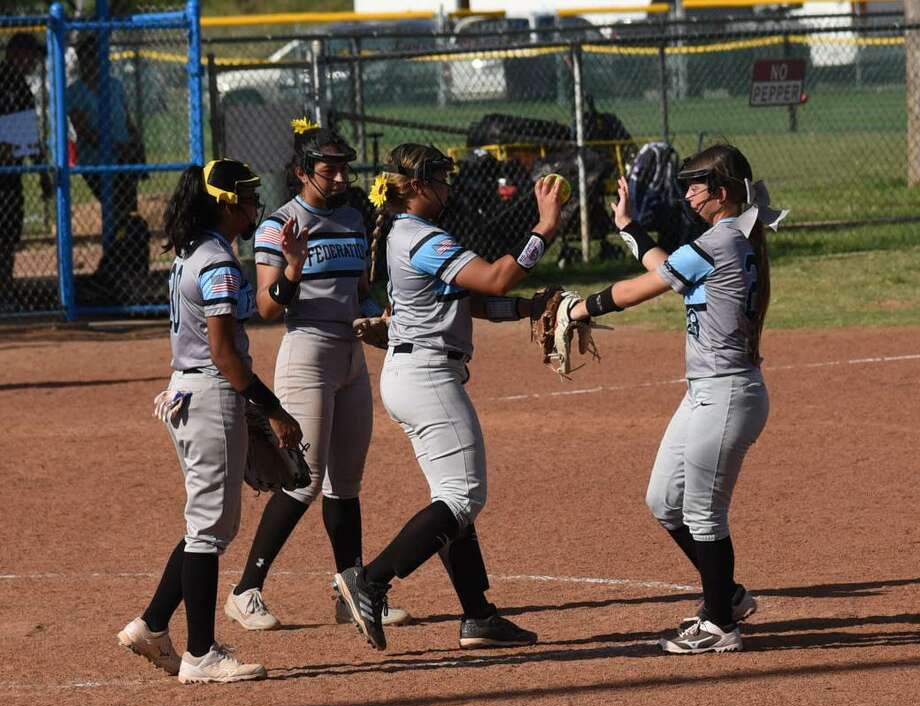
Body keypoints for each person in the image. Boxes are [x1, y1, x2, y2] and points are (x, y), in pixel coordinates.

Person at [333, 143, 563, 651]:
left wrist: (527, 308)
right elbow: (496, 275)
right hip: (426, 376)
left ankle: (478, 616)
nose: (448, 186)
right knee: (463, 498)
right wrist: (544, 228)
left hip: (416, 372)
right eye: (440, 178)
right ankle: (368, 580)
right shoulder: (421, 236)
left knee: (452, 498)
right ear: (414, 186)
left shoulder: (409, 233)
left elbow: (473, 299)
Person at [568, 144, 785, 654]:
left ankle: (719, 624)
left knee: (705, 514)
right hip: (707, 394)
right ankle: (727, 596)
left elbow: (638, 290)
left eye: (696, 184)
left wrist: (579, 308)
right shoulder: (727, 239)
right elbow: (667, 268)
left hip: (727, 393)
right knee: (664, 501)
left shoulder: (720, 241)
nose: (686, 192)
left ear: (724, 192)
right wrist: (630, 228)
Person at [116, 158, 302, 684]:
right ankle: (200, 654)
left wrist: (289, 269)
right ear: (224, 203)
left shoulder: (199, 251)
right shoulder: (217, 262)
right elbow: (225, 354)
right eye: (245, 196)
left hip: (190, 391)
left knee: (209, 523)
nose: (252, 205)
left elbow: (259, 312)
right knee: (209, 528)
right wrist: (273, 408)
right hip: (211, 392)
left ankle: (153, 625)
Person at [224, 120, 410, 631]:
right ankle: (245, 591)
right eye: (330, 167)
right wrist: (291, 269)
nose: (341, 175)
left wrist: (377, 315)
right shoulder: (279, 225)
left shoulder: (354, 217)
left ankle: (351, 593)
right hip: (306, 353)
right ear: (304, 171)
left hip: (350, 354)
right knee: (302, 480)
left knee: (346, 484)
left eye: (345, 166)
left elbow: (362, 290)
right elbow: (264, 306)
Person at [66, 33, 145, 290]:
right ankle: (112, 269)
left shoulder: (115, 85)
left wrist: (133, 144)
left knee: (125, 214)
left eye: (100, 57)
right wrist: (114, 147)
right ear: (82, 60)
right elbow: (83, 129)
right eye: (91, 57)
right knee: (115, 211)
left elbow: (128, 120)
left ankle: (119, 267)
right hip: (97, 163)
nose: (97, 63)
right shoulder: (75, 92)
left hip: (124, 160)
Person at [0, 33, 51, 308]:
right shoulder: (5, 81)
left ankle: (5, 292)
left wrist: (42, 170)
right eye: (31, 56)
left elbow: (28, 134)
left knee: (8, 236)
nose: (34, 63)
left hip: (10, 174)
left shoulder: (21, 88)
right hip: (5, 168)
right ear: (17, 53)